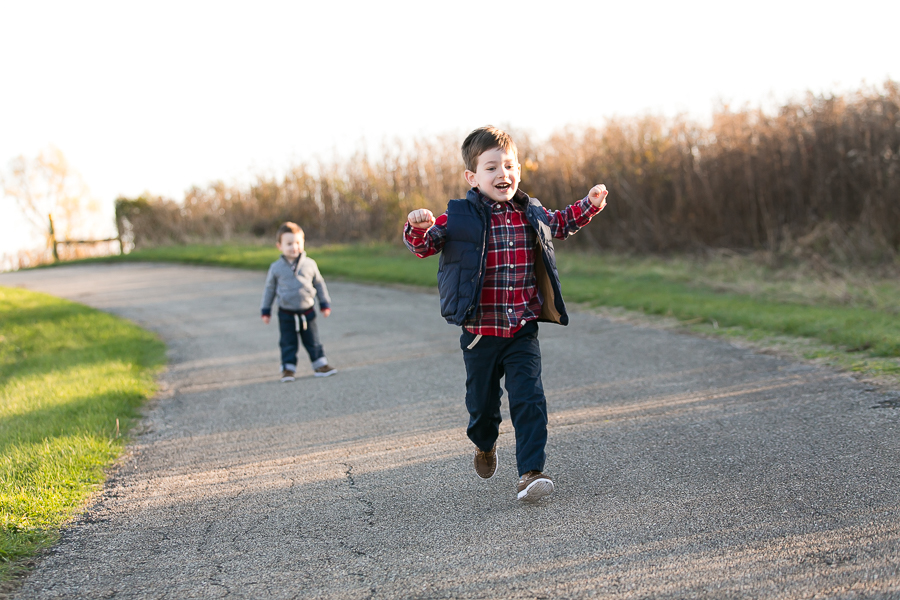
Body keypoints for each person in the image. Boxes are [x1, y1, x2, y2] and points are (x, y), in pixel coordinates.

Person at [403, 126, 608, 501]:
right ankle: (484, 444)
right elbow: (426, 245)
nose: (503, 174)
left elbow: (560, 223)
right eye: (492, 167)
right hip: (480, 332)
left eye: (509, 166)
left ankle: (530, 472)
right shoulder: (458, 216)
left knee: (529, 399)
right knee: (482, 408)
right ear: (473, 177)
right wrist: (418, 228)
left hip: (521, 330)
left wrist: (589, 204)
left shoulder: (531, 212)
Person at [261, 222, 337, 381]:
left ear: (303, 243)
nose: (293, 247)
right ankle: (288, 369)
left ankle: (320, 365)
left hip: (307, 311)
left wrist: (324, 303)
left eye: (297, 243)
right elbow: (269, 289)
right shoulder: (276, 268)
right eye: (289, 244)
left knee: (313, 340)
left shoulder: (310, 264)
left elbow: (319, 284)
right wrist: (266, 310)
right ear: (279, 246)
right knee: (288, 342)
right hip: (286, 313)